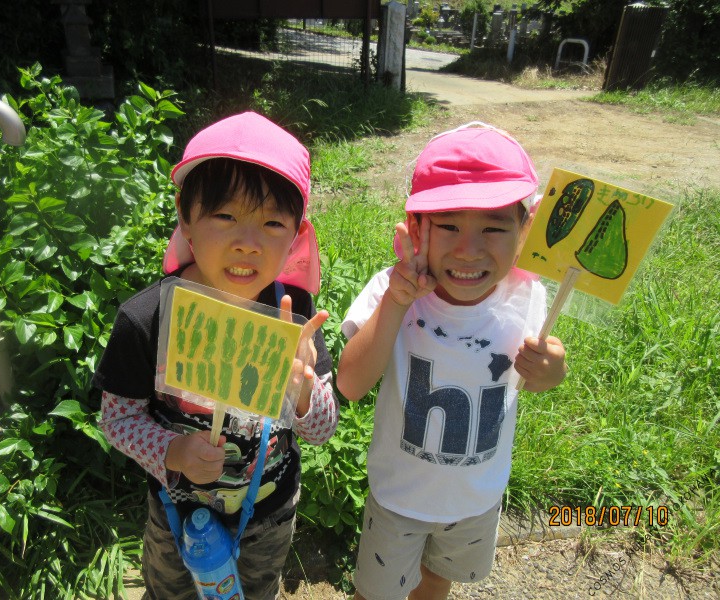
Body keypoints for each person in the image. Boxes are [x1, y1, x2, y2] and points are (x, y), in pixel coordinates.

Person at [92, 111, 339, 600]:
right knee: (171, 592)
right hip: (174, 513)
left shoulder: (295, 317)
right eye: (225, 216)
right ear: (186, 215)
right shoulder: (148, 318)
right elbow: (115, 420)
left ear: (295, 235)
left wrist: (306, 392)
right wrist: (172, 451)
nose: (247, 243)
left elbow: (321, 432)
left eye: (272, 223)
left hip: (266, 517)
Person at [336, 122, 568, 600]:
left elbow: (531, 381)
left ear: (524, 230)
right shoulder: (393, 290)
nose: (468, 249)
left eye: (493, 227)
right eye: (449, 226)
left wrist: (552, 371)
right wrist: (397, 304)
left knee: (437, 581)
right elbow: (350, 383)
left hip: (476, 498)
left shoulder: (527, 295)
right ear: (418, 229)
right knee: (374, 593)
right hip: (399, 496)